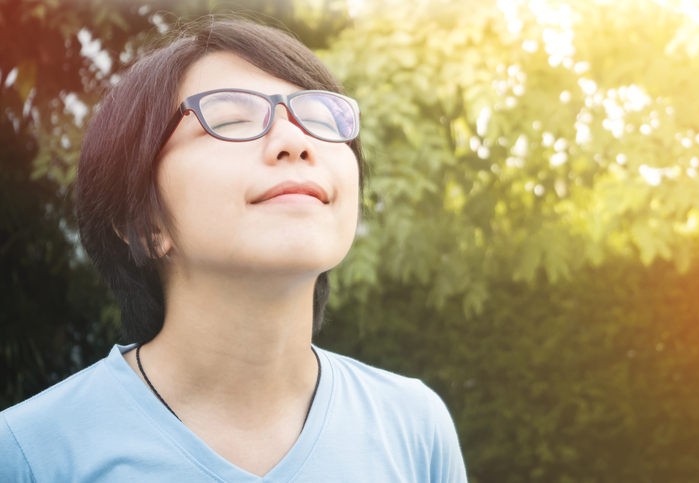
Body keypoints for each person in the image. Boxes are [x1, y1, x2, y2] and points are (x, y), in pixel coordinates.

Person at [0, 17, 466, 482]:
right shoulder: (31, 453)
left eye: (323, 118)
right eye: (230, 118)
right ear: (141, 222)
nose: (295, 140)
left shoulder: (415, 428)